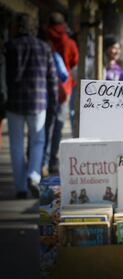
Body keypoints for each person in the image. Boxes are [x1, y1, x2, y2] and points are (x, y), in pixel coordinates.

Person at [5, 13, 58, 198]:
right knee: (38, 141)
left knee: (16, 145)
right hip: (38, 102)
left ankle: (20, 187)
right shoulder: (44, 48)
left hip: (14, 103)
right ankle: (34, 175)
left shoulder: (9, 47)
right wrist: (54, 101)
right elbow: (52, 79)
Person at [45, 12, 79, 175]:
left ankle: (40, 160)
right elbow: (74, 64)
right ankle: (53, 161)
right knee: (58, 125)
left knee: (43, 126)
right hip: (64, 89)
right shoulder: (69, 42)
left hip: (44, 87)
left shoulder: (44, 39)